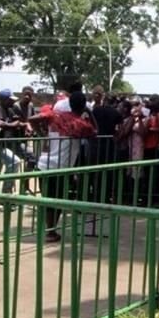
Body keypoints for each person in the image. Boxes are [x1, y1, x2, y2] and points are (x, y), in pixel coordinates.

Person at [36, 91, 96, 242]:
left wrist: (42, 133)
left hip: (44, 163)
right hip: (60, 166)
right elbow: (96, 130)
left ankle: (51, 230)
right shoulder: (81, 124)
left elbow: (33, 118)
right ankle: (50, 232)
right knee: (56, 201)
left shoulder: (56, 116)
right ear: (83, 106)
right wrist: (89, 112)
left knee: (49, 200)